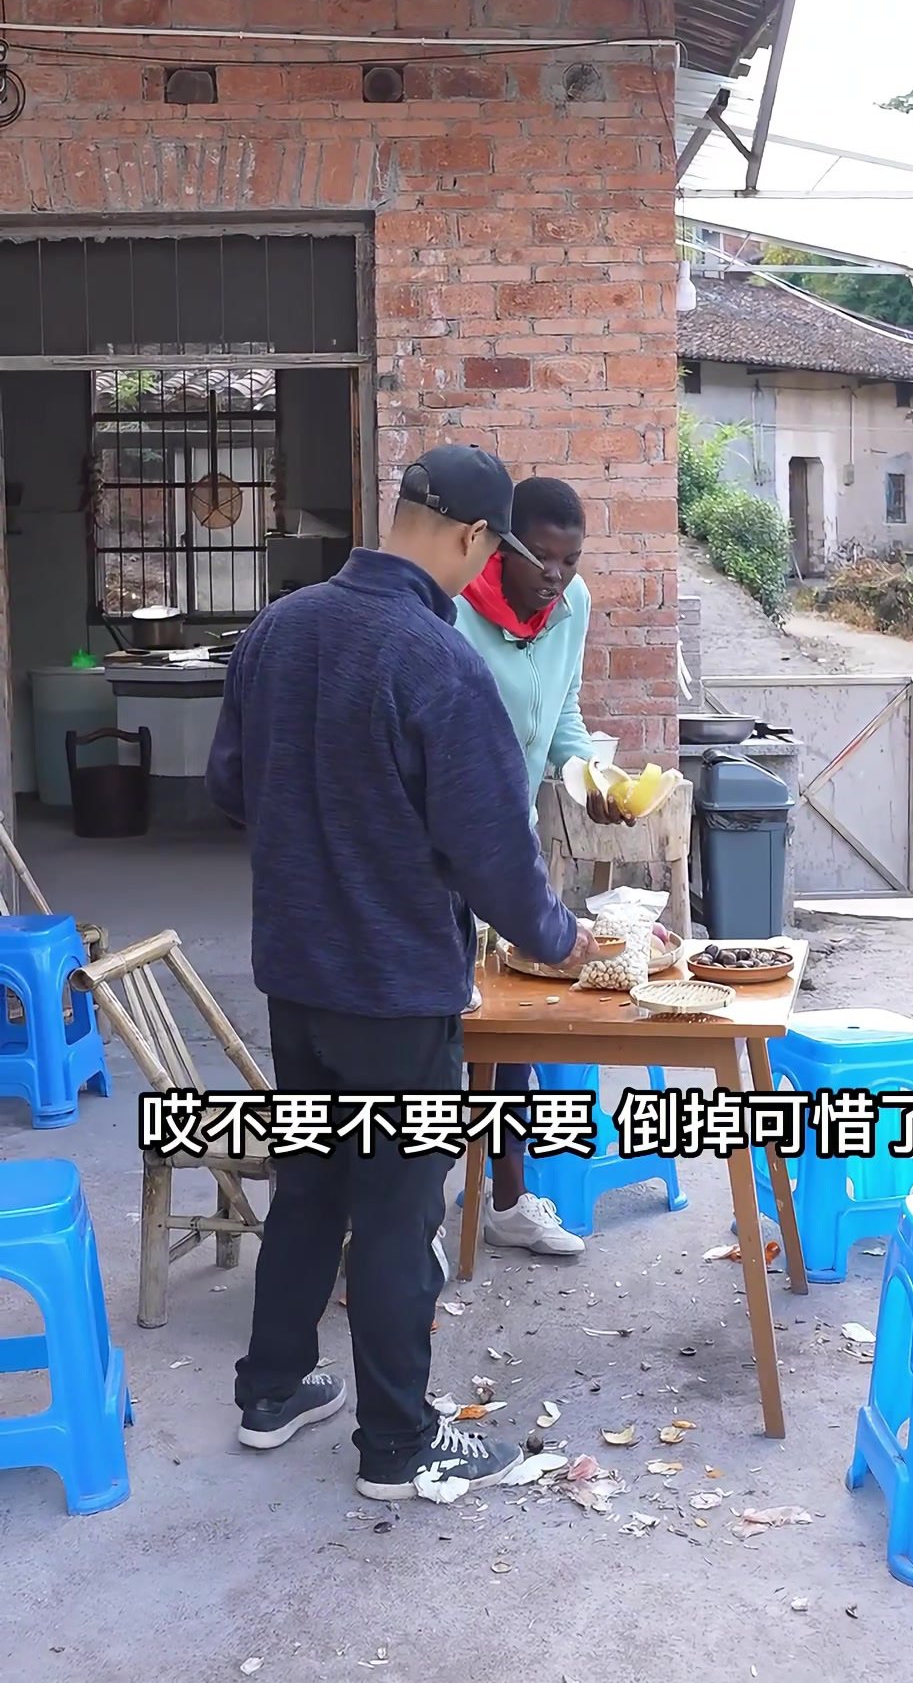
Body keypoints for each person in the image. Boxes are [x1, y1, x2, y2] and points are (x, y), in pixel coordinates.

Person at [206, 444, 600, 1502]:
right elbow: (491, 853)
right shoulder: (438, 662)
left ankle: (272, 1391)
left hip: (297, 975)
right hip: (397, 989)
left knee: (312, 1187)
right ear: (477, 543)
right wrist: (563, 939)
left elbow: (230, 786)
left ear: (401, 512)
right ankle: (396, 1444)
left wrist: (320, 827)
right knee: (394, 1214)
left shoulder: (278, 630)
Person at [454, 476, 624, 1257]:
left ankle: (508, 1199)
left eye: (571, 561)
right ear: (500, 546)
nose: (556, 577)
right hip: (439, 852)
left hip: (512, 843)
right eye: (542, 558)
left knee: (516, 1028)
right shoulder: (451, 609)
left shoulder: (572, 607)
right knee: (437, 1038)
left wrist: (589, 778)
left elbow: (564, 713)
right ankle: (411, 1217)